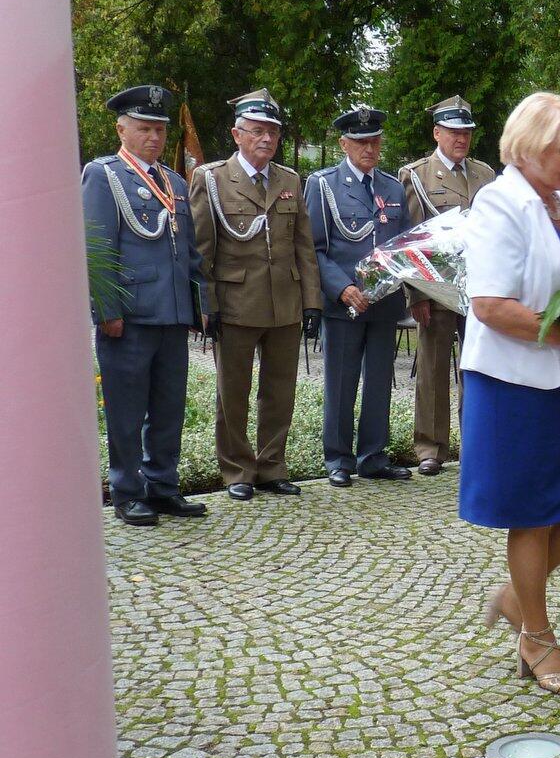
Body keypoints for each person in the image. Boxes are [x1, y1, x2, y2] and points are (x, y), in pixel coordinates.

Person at [467, 91, 560, 697]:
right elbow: (491, 305)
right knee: (531, 515)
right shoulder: (499, 203)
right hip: (512, 382)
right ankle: (537, 636)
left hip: (558, 375)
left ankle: (513, 597)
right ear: (528, 148)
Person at [84, 85, 209, 525]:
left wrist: (198, 305)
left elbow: (189, 252)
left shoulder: (175, 182)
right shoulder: (104, 175)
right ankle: (126, 490)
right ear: (122, 129)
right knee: (126, 410)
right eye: (144, 128)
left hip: (171, 314)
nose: (154, 136)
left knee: (169, 408)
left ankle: (163, 486)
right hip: (131, 316)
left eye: (159, 129)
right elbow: (97, 249)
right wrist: (107, 311)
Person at [191, 89, 323, 502]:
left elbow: (304, 246)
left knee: (280, 391)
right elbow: (201, 249)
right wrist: (206, 305)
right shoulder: (212, 179)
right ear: (237, 134)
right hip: (236, 303)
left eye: (273, 133)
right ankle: (237, 470)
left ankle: (271, 467)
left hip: (284, 301)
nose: (266, 139)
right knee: (233, 393)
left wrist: (312, 301)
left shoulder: (290, 180)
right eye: (257, 131)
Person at [305, 105, 413, 487]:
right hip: (344, 303)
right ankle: (338, 459)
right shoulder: (323, 185)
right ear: (344, 144)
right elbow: (314, 248)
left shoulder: (392, 187)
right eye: (361, 142)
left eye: (375, 141)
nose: (369, 148)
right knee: (341, 381)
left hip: (383, 302)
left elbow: (403, 245)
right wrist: (343, 288)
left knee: (380, 381)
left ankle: (373, 456)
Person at [399, 95, 496, 476]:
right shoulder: (416, 175)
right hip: (436, 289)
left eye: (466, 132)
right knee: (433, 370)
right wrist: (416, 293)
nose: (461, 138)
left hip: (479, 288)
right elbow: (411, 238)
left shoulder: (485, 175)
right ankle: (431, 448)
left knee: (477, 367)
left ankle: (476, 443)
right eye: (454, 132)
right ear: (437, 133)